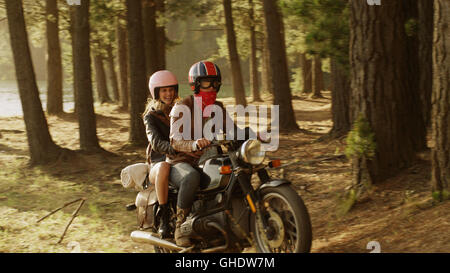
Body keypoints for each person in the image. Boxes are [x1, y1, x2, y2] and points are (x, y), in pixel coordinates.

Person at [167, 60, 245, 246]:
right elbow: (174, 141)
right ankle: (180, 225)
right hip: (182, 162)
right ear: (195, 84)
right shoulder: (182, 107)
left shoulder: (217, 107)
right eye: (206, 82)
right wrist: (193, 144)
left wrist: (253, 135)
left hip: (209, 158)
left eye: (215, 82)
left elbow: (232, 130)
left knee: (239, 172)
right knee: (191, 178)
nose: (212, 87)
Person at [142, 70, 179, 239]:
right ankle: (164, 216)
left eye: (171, 89)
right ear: (156, 92)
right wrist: (176, 148)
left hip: (180, 159)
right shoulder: (151, 116)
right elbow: (156, 142)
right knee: (164, 167)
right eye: (164, 90)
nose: (168, 94)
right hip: (159, 162)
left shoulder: (182, 110)